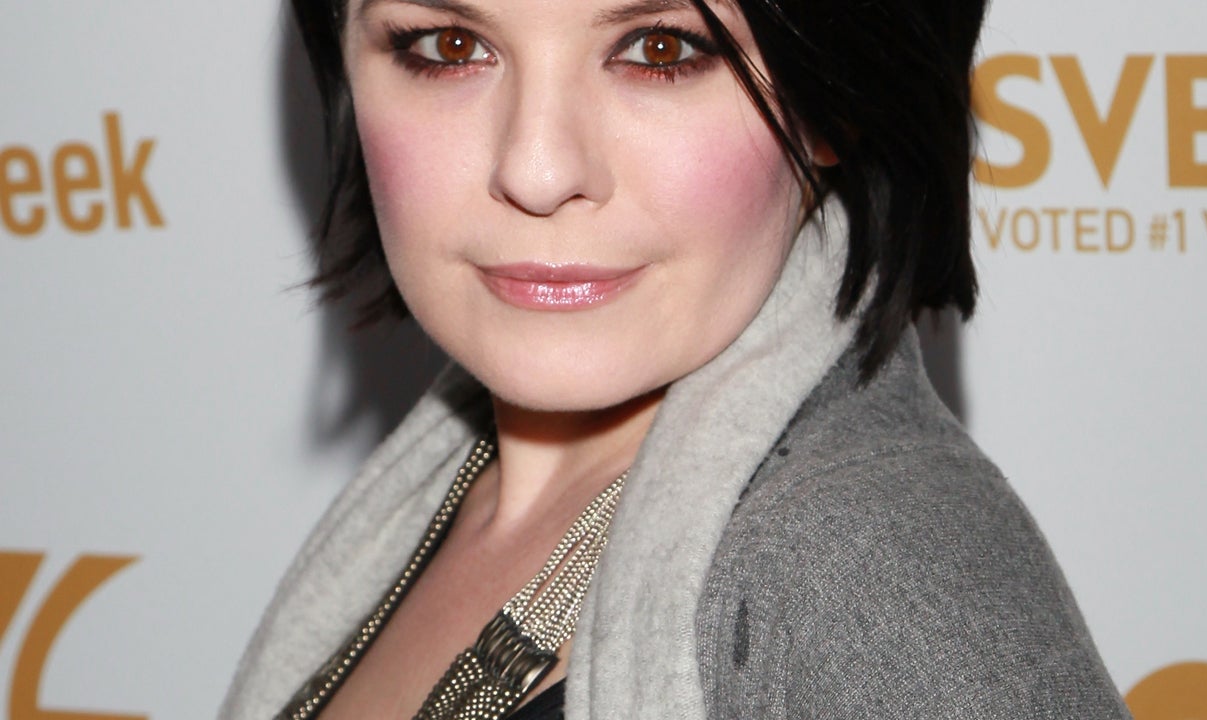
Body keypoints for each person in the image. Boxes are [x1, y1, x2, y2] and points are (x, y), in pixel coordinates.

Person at [221, 0, 1132, 717]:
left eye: (660, 49)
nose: (538, 169)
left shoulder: (873, 570)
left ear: (834, 96)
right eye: (448, 46)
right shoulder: (435, 502)